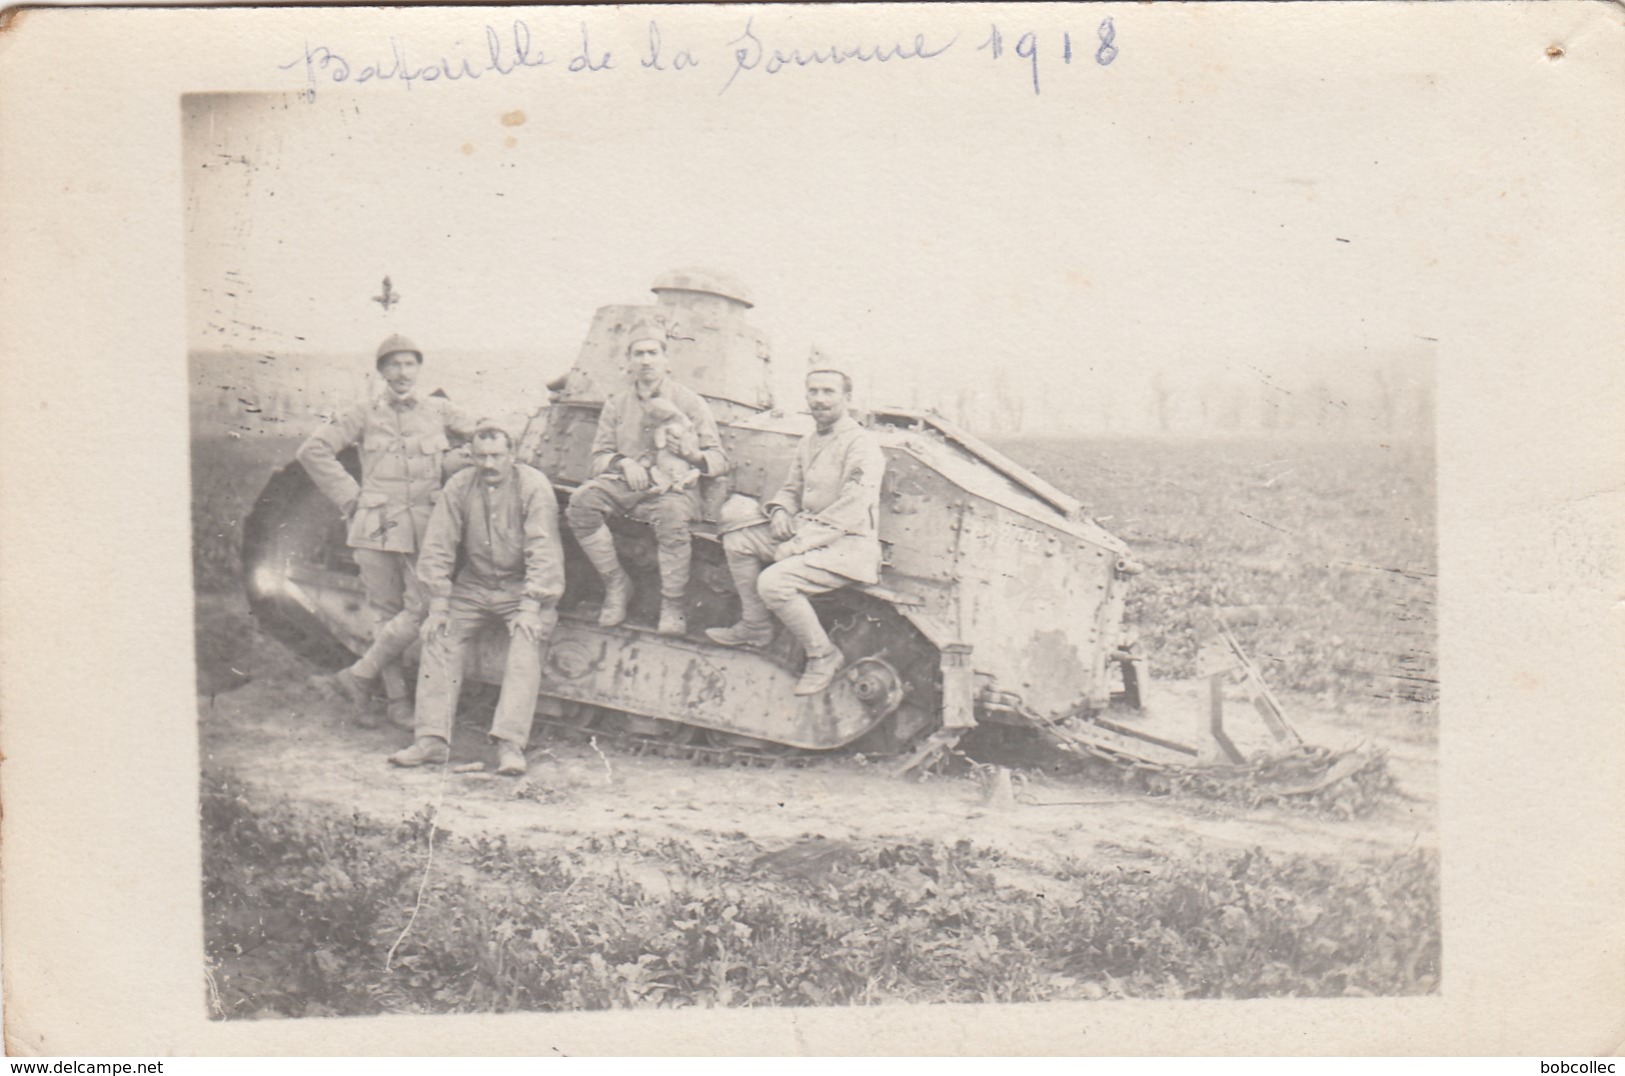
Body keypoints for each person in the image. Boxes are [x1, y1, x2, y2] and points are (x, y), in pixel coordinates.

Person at [299, 334, 473, 728]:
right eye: (393, 365)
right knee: (385, 613)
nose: (402, 373)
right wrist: (350, 497)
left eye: (409, 364)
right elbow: (313, 451)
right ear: (381, 371)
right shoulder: (363, 411)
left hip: (427, 528)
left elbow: (485, 434)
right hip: (376, 525)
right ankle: (396, 702)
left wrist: (458, 462)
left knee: (424, 605)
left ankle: (357, 676)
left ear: (419, 369)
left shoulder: (440, 410)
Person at [387, 421, 565, 777]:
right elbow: (438, 546)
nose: (489, 464)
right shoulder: (460, 485)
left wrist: (532, 606)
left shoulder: (533, 486)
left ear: (512, 455)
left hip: (520, 588)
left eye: (497, 455)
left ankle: (510, 744)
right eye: (481, 456)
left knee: (528, 640)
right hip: (474, 585)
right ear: (471, 456)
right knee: (439, 634)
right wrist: (438, 603)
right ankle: (432, 740)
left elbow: (543, 549)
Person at [705, 365, 887, 696]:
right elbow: (791, 487)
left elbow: (853, 504)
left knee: (774, 582)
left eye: (828, 392)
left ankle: (823, 655)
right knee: (738, 538)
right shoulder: (810, 441)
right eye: (813, 391)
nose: (819, 399)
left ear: (846, 398)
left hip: (849, 545)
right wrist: (780, 511)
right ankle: (756, 625)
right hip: (812, 533)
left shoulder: (861, 444)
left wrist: (800, 543)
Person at [565, 325, 728, 635]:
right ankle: (616, 585)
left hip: (674, 488)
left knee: (671, 517)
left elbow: (719, 459)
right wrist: (622, 462)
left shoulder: (690, 402)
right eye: (638, 354)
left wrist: (693, 455)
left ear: (666, 360)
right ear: (628, 361)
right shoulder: (617, 405)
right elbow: (598, 457)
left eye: (653, 353)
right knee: (581, 503)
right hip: (629, 484)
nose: (646, 360)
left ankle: (672, 605)